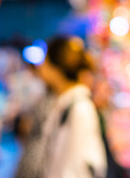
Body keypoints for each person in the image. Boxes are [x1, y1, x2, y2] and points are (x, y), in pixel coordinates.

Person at [37, 36, 106, 178]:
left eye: (45, 60)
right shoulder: (66, 103)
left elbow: (76, 167)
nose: (40, 66)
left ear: (56, 66)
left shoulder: (80, 108)